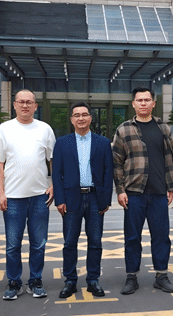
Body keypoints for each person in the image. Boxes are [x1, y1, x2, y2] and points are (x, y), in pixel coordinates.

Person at [0, 89, 56, 300]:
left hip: (39, 196)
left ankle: (35, 281)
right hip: (13, 197)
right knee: (12, 245)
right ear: (14, 105)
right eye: (21, 102)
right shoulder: (4, 129)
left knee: (39, 243)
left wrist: (53, 184)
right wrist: (0, 193)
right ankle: (14, 282)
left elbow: (53, 160)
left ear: (35, 106)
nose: (25, 105)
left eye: (29, 102)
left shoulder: (45, 129)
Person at [112, 87, 173, 295]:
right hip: (134, 193)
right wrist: (120, 190)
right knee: (132, 238)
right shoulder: (124, 129)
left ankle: (161, 276)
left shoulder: (163, 128)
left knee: (161, 236)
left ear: (153, 103)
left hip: (159, 192)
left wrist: (171, 185)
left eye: (147, 100)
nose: (143, 103)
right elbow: (117, 162)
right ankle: (131, 277)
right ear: (133, 104)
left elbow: (172, 157)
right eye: (139, 100)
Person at [52, 102, 113, 298]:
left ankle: (93, 280)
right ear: (71, 119)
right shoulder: (62, 143)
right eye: (76, 115)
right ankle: (70, 281)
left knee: (95, 241)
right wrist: (59, 200)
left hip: (95, 198)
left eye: (84, 114)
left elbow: (108, 172)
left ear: (90, 118)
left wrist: (106, 200)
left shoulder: (103, 143)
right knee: (70, 242)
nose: (81, 118)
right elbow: (56, 174)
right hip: (71, 198)